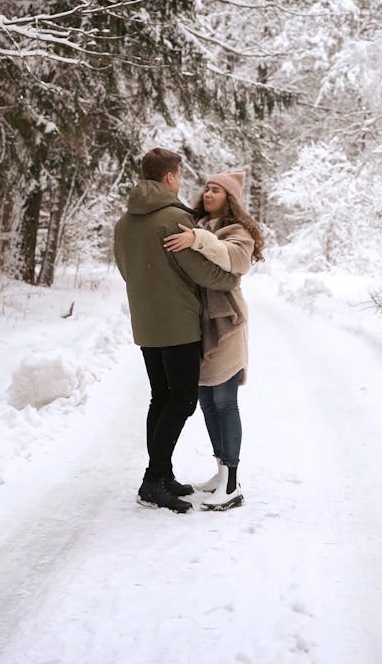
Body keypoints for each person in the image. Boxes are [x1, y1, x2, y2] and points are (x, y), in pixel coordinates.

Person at [113, 148, 238, 514]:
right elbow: (200, 270)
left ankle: (163, 474)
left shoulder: (124, 221)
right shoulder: (174, 219)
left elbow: (125, 269)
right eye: (179, 175)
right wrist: (231, 277)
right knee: (182, 400)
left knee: (160, 397)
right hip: (179, 323)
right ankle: (153, 480)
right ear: (170, 177)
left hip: (146, 322)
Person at [164, 170, 264, 510]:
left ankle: (233, 482)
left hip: (227, 325)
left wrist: (197, 240)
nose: (208, 193)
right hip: (199, 324)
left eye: (216, 190)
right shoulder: (199, 225)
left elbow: (233, 259)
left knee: (225, 400)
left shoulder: (237, 232)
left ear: (230, 199)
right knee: (207, 401)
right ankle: (221, 472)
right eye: (207, 188)